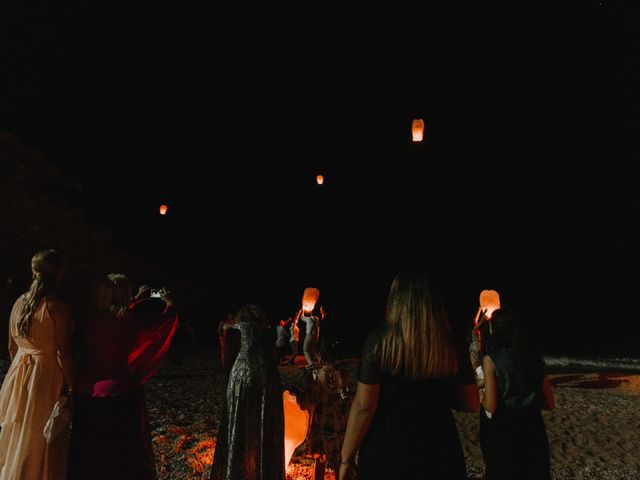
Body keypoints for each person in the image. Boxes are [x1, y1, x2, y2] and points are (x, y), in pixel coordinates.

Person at [339, 268, 467, 480]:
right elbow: (469, 402)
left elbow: (364, 406)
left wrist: (346, 458)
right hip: (440, 450)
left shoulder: (379, 342)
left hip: (388, 449)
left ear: (395, 301)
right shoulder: (450, 345)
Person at [68, 275, 179, 480]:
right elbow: (161, 323)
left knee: (89, 450)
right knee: (119, 451)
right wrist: (169, 303)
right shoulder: (127, 318)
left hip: (86, 390)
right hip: (119, 391)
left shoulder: (87, 317)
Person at [0, 249, 74, 480]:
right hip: (46, 373)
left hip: (20, 370)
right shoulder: (57, 307)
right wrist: (71, 384)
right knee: (39, 435)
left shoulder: (19, 303)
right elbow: (62, 351)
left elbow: (12, 346)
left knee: (20, 429)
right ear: (59, 274)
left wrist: (21, 371)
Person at [472, 307, 551, 480]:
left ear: (495, 329)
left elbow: (491, 405)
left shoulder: (491, 360)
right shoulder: (533, 358)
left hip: (506, 428)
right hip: (533, 426)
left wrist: (481, 393)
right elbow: (546, 400)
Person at [211, 304, 285, 480]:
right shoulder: (265, 331)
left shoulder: (233, 329)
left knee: (240, 419)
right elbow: (273, 356)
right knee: (263, 421)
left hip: (242, 375)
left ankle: (239, 470)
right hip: (268, 377)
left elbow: (228, 357)